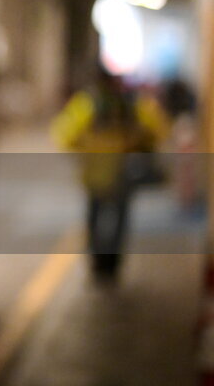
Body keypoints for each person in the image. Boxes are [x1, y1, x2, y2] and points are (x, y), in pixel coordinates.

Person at [51, 66, 167, 277]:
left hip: (95, 174)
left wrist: (84, 149)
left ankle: (97, 262)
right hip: (123, 173)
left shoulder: (87, 103)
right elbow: (158, 129)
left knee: (94, 219)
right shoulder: (133, 104)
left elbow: (63, 135)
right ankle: (113, 264)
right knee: (120, 219)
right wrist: (139, 144)